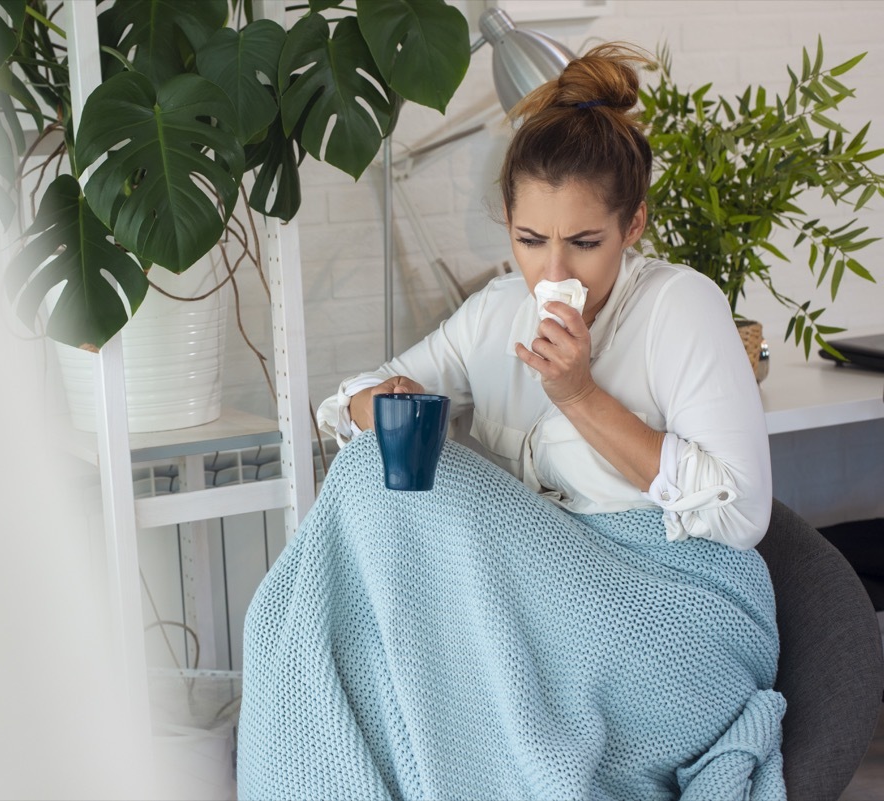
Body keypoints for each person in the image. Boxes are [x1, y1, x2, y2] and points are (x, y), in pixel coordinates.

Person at [316, 43, 771, 551]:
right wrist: (372, 405)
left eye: (585, 243)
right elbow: (351, 402)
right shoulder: (495, 311)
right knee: (359, 479)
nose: (552, 271)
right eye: (530, 241)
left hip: (656, 580)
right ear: (508, 223)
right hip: (527, 579)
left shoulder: (680, 307)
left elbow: (742, 515)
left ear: (633, 224)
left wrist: (581, 397)